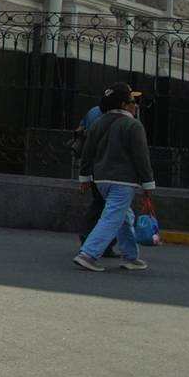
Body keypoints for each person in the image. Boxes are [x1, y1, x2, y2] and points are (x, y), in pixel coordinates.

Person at [73, 89, 154, 272]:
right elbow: (142, 157)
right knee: (113, 217)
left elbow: (87, 152)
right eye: (132, 102)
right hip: (124, 180)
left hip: (101, 179)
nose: (135, 106)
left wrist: (85, 176)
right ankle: (88, 254)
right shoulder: (133, 125)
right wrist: (148, 183)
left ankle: (131, 256)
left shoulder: (99, 123)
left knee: (124, 216)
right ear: (124, 105)